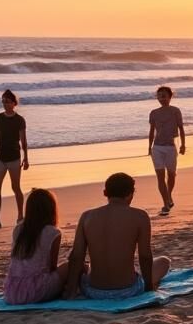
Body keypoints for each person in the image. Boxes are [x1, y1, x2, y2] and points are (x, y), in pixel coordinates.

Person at [64, 173, 171, 300]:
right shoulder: (140, 216)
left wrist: (71, 291)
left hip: (94, 291)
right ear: (131, 194)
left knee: (85, 267)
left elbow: (76, 256)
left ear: (105, 193)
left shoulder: (87, 216)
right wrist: (148, 288)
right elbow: (145, 256)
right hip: (128, 290)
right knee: (164, 261)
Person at [4, 188, 75, 304]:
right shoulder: (53, 232)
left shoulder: (18, 229)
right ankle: (70, 293)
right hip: (36, 290)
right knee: (71, 266)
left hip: (12, 291)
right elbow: (51, 266)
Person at [0, 89, 28, 230]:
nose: (4, 104)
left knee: (16, 188)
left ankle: (20, 217)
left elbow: (23, 141)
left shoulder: (19, 120)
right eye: (3, 101)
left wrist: (26, 158)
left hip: (14, 158)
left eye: (7, 101)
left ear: (14, 103)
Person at [147, 86, 186, 216]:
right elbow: (152, 131)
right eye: (159, 96)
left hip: (171, 147)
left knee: (172, 175)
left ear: (170, 97)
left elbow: (181, 128)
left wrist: (183, 145)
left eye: (164, 95)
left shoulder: (175, 111)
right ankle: (165, 204)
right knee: (160, 177)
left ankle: (169, 195)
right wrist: (149, 146)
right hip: (157, 147)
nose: (162, 98)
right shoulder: (154, 113)